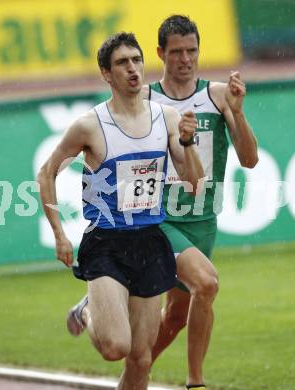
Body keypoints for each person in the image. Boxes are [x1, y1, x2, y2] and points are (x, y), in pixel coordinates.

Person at [37, 32, 204, 390]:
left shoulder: (168, 118)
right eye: (122, 63)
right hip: (106, 242)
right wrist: (59, 233)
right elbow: (47, 172)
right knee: (116, 347)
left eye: (136, 60)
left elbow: (194, 183)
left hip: (149, 241)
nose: (132, 69)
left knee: (142, 358)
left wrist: (188, 143)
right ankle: (87, 309)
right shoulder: (90, 125)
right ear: (106, 74)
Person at [143, 15, 259, 390]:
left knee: (175, 316)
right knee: (207, 284)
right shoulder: (145, 100)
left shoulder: (220, 95)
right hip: (161, 216)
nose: (185, 59)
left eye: (192, 51)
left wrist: (237, 113)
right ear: (160, 53)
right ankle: (196, 382)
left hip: (203, 217)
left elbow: (250, 159)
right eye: (176, 52)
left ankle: (137, 371)